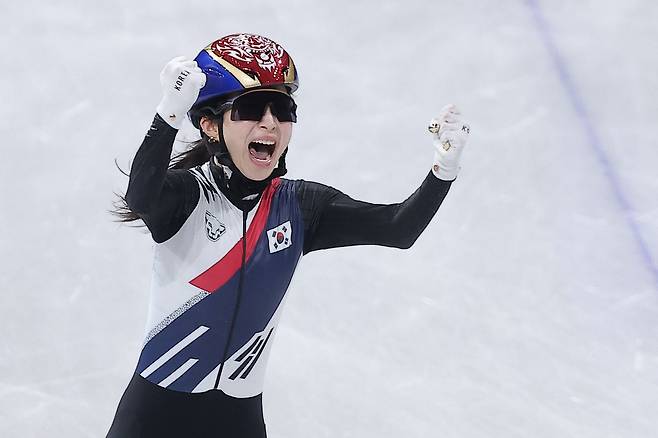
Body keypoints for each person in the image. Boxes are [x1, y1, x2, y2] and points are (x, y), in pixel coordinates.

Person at [107, 33, 470, 438]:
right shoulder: (187, 196)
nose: (269, 123)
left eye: (281, 109)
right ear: (209, 125)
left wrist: (443, 171)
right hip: (155, 415)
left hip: (236, 420)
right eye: (249, 109)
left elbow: (398, 229)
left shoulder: (300, 206)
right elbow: (141, 195)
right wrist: (169, 112)